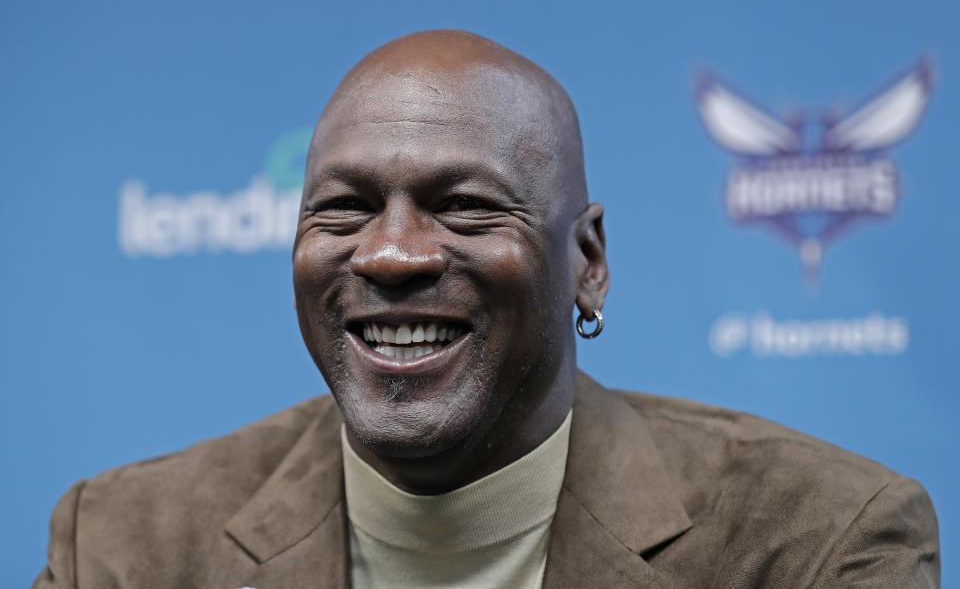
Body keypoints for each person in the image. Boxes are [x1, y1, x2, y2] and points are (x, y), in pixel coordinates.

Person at [34, 30, 939, 589]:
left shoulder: (818, 539)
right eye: (343, 209)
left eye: (465, 205)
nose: (391, 254)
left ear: (586, 262)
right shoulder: (119, 547)